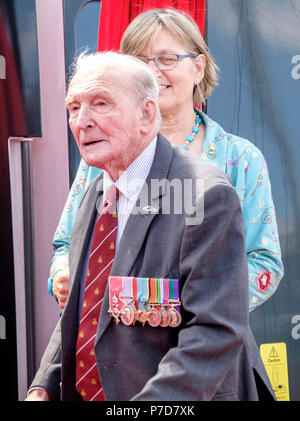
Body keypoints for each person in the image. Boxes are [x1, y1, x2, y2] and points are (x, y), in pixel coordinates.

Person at [26, 51, 274, 401]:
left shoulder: (203, 195)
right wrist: (43, 386)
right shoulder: (98, 189)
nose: (82, 120)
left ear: (146, 114)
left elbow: (213, 332)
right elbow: (84, 305)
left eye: (100, 103)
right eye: (74, 107)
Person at [49, 8, 283, 311]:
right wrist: (62, 276)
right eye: (139, 62)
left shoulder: (240, 159)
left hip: (206, 341)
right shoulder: (106, 151)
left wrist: (185, 304)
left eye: (167, 59)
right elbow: (66, 244)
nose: (152, 72)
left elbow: (265, 264)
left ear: (198, 68)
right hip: (114, 344)